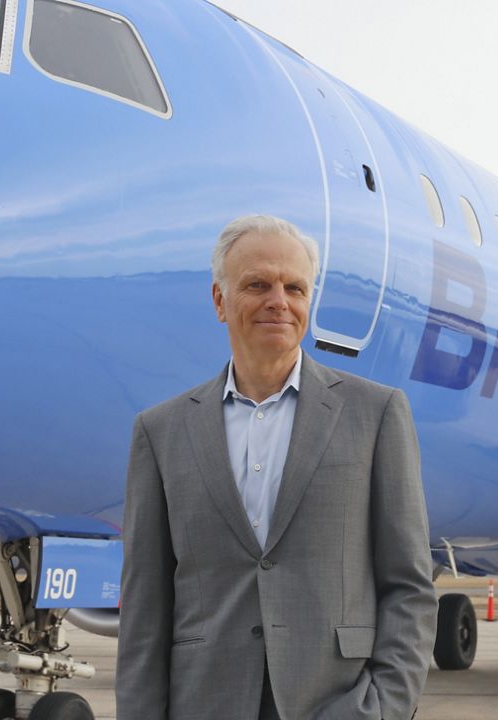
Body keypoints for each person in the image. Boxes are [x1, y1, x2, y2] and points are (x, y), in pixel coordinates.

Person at [116, 214, 437, 720]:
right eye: (257, 285)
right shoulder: (161, 431)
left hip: (337, 703)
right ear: (220, 301)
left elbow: (409, 586)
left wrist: (381, 708)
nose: (279, 301)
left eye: (295, 287)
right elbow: (144, 607)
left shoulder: (375, 415)